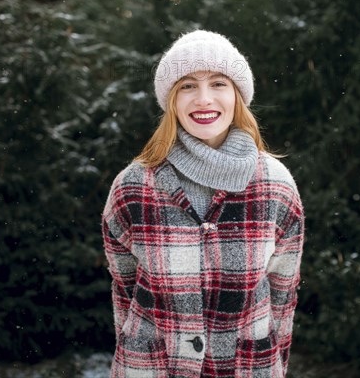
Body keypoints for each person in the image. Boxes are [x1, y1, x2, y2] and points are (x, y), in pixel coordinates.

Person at [102, 29, 304, 378]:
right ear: (171, 100)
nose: (204, 98)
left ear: (238, 95)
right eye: (188, 85)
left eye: (218, 83)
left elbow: (282, 300)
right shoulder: (133, 186)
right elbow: (125, 295)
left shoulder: (276, 185)